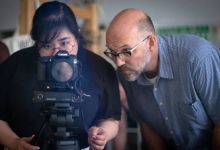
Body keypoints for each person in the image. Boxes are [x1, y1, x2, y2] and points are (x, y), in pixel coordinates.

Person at [0, 1, 121, 150]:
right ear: (37, 43)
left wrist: (102, 133)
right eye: (47, 45)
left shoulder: (101, 69)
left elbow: (112, 119)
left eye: (64, 43)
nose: (57, 53)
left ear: (76, 35)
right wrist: (14, 142)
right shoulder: (14, 66)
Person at [105, 8, 220, 150]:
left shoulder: (198, 59)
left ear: (151, 43)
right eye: (112, 52)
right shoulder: (126, 73)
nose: (118, 63)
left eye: (126, 51)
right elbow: (147, 126)